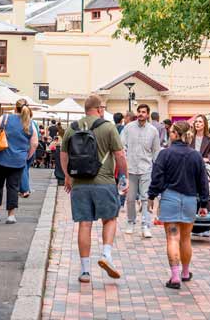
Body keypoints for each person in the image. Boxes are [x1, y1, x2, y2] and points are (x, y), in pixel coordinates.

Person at [61, 94, 127, 284]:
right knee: (110, 219)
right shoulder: (108, 127)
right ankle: (106, 254)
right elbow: (120, 156)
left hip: (79, 184)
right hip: (104, 182)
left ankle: (85, 271)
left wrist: (68, 177)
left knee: (85, 224)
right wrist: (124, 177)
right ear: (99, 109)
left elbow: (63, 156)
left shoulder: (71, 129)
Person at [148, 121, 210, 290]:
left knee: (172, 238)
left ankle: (174, 276)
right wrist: (204, 202)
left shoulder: (165, 154)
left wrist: (152, 195)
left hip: (170, 198)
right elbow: (203, 181)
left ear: (175, 134)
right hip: (190, 199)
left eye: (171, 132)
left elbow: (157, 177)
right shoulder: (195, 155)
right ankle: (185, 272)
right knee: (186, 238)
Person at [0, 99, 38, 224]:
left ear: (15, 108)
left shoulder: (5, 118)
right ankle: (11, 215)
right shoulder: (29, 123)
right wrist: (27, 156)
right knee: (13, 187)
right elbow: (34, 143)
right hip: (18, 160)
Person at [121, 103, 161, 238]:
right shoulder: (128, 128)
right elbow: (122, 146)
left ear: (148, 114)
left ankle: (146, 225)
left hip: (146, 169)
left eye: (144, 112)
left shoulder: (153, 131)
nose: (141, 114)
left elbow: (156, 151)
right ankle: (130, 222)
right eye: (139, 111)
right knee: (130, 198)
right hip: (130, 169)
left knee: (146, 198)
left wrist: (157, 170)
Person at [20, 115, 40, 199]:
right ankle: (25, 187)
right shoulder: (34, 123)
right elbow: (37, 137)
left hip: (24, 149)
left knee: (23, 169)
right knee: (26, 169)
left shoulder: (21, 123)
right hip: (32, 149)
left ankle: (25, 189)